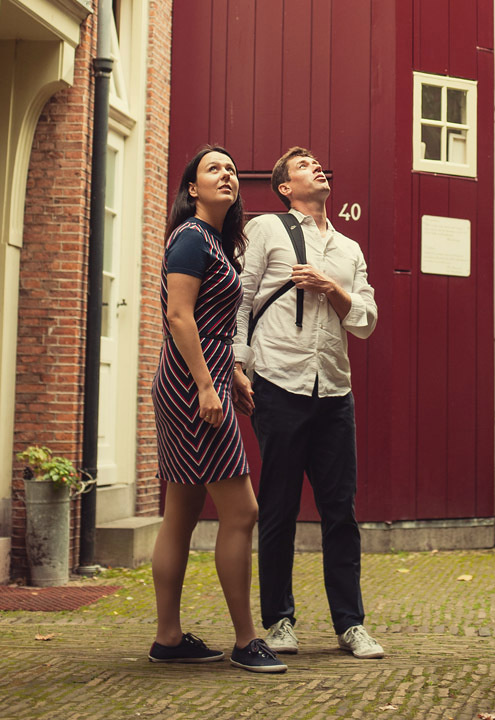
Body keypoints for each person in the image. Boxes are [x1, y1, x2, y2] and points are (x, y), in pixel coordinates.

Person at [233, 147, 383, 659]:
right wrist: (236, 363)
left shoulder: (349, 248)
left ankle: (351, 624)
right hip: (279, 382)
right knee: (278, 508)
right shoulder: (266, 231)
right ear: (284, 187)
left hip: (334, 391)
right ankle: (278, 621)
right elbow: (243, 296)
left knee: (341, 512)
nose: (318, 167)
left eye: (320, 163)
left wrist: (330, 287)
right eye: (303, 166)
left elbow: (364, 320)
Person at [149, 145, 286, 674]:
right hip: (190, 386)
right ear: (192, 189)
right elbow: (179, 317)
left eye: (230, 169)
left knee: (181, 510)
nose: (226, 174)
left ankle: (168, 637)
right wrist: (208, 386)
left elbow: (209, 324)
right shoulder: (189, 239)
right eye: (213, 168)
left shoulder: (218, 243)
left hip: (201, 379)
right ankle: (247, 639)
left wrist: (232, 375)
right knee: (242, 511)